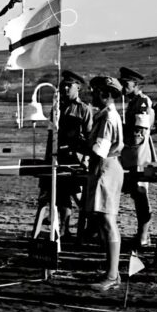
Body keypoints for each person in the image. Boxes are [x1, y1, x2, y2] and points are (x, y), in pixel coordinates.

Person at [84, 76, 125, 291]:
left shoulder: (108, 117)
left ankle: (112, 275)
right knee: (103, 219)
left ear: (103, 93)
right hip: (104, 167)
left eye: (94, 91)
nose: (91, 95)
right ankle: (112, 272)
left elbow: (99, 149)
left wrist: (76, 143)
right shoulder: (105, 115)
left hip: (106, 167)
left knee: (108, 220)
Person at [46, 70, 94, 238]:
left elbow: (89, 138)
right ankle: (65, 230)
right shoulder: (57, 108)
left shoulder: (84, 109)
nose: (65, 88)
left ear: (78, 88)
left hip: (76, 159)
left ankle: (90, 225)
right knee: (62, 196)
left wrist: (86, 159)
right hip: (59, 159)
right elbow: (51, 135)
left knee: (79, 196)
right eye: (63, 85)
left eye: (69, 85)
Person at [118, 67, 157, 253]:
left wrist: (122, 133)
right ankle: (142, 234)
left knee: (141, 193)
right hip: (132, 154)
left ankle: (144, 235)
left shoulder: (142, 102)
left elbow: (138, 133)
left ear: (136, 84)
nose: (123, 87)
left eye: (126, 84)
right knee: (136, 193)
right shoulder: (133, 101)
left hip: (139, 154)